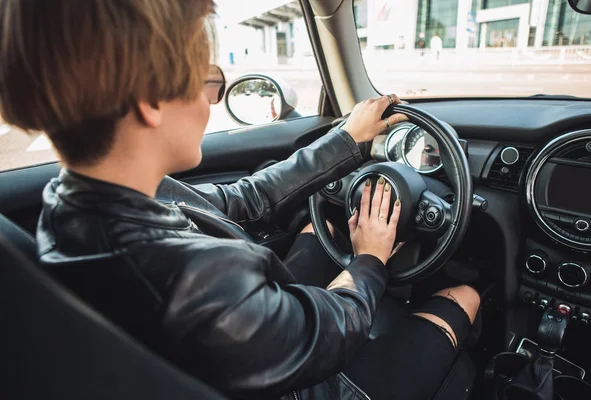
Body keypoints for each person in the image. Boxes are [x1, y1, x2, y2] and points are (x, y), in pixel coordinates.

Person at [0, 1, 481, 399]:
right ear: (150, 97)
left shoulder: (79, 202)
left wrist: (346, 139)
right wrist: (371, 260)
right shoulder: (189, 280)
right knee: (464, 296)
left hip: (240, 355)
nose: (211, 97)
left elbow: (240, 199)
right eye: (207, 79)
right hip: (310, 381)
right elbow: (325, 334)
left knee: (320, 230)